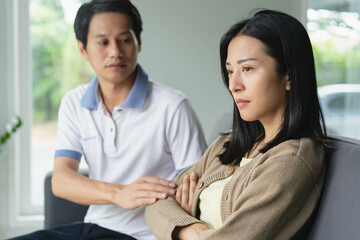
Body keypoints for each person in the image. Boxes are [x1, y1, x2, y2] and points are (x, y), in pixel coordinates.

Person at [10, 0, 207, 239]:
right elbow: (61, 180)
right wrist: (119, 194)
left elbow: (196, 186)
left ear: (139, 42)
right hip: (93, 227)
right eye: (103, 42)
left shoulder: (173, 106)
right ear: (82, 49)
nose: (115, 51)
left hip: (146, 234)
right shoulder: (74, 102)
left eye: (125, 39)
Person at [145, 9, 328, 240]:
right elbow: (157, 200)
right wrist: (193, 228)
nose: (233, 85)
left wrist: (183, 225)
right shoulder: (229, 143)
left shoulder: (292, 160)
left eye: (247, 69)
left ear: (288, 76)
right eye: (230, 71)